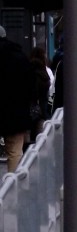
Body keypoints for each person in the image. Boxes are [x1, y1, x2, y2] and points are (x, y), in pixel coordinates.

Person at [0, 26, 36, 173]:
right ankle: (15, 188)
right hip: (16, 111)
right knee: (15, 151)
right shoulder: (20, 56)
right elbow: (31, 85)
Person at [28, 46, 52, 142]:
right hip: (43, 110)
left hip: (29, 110)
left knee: (27, 140)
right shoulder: (45, 72)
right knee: (41, 141)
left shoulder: (28, 70)